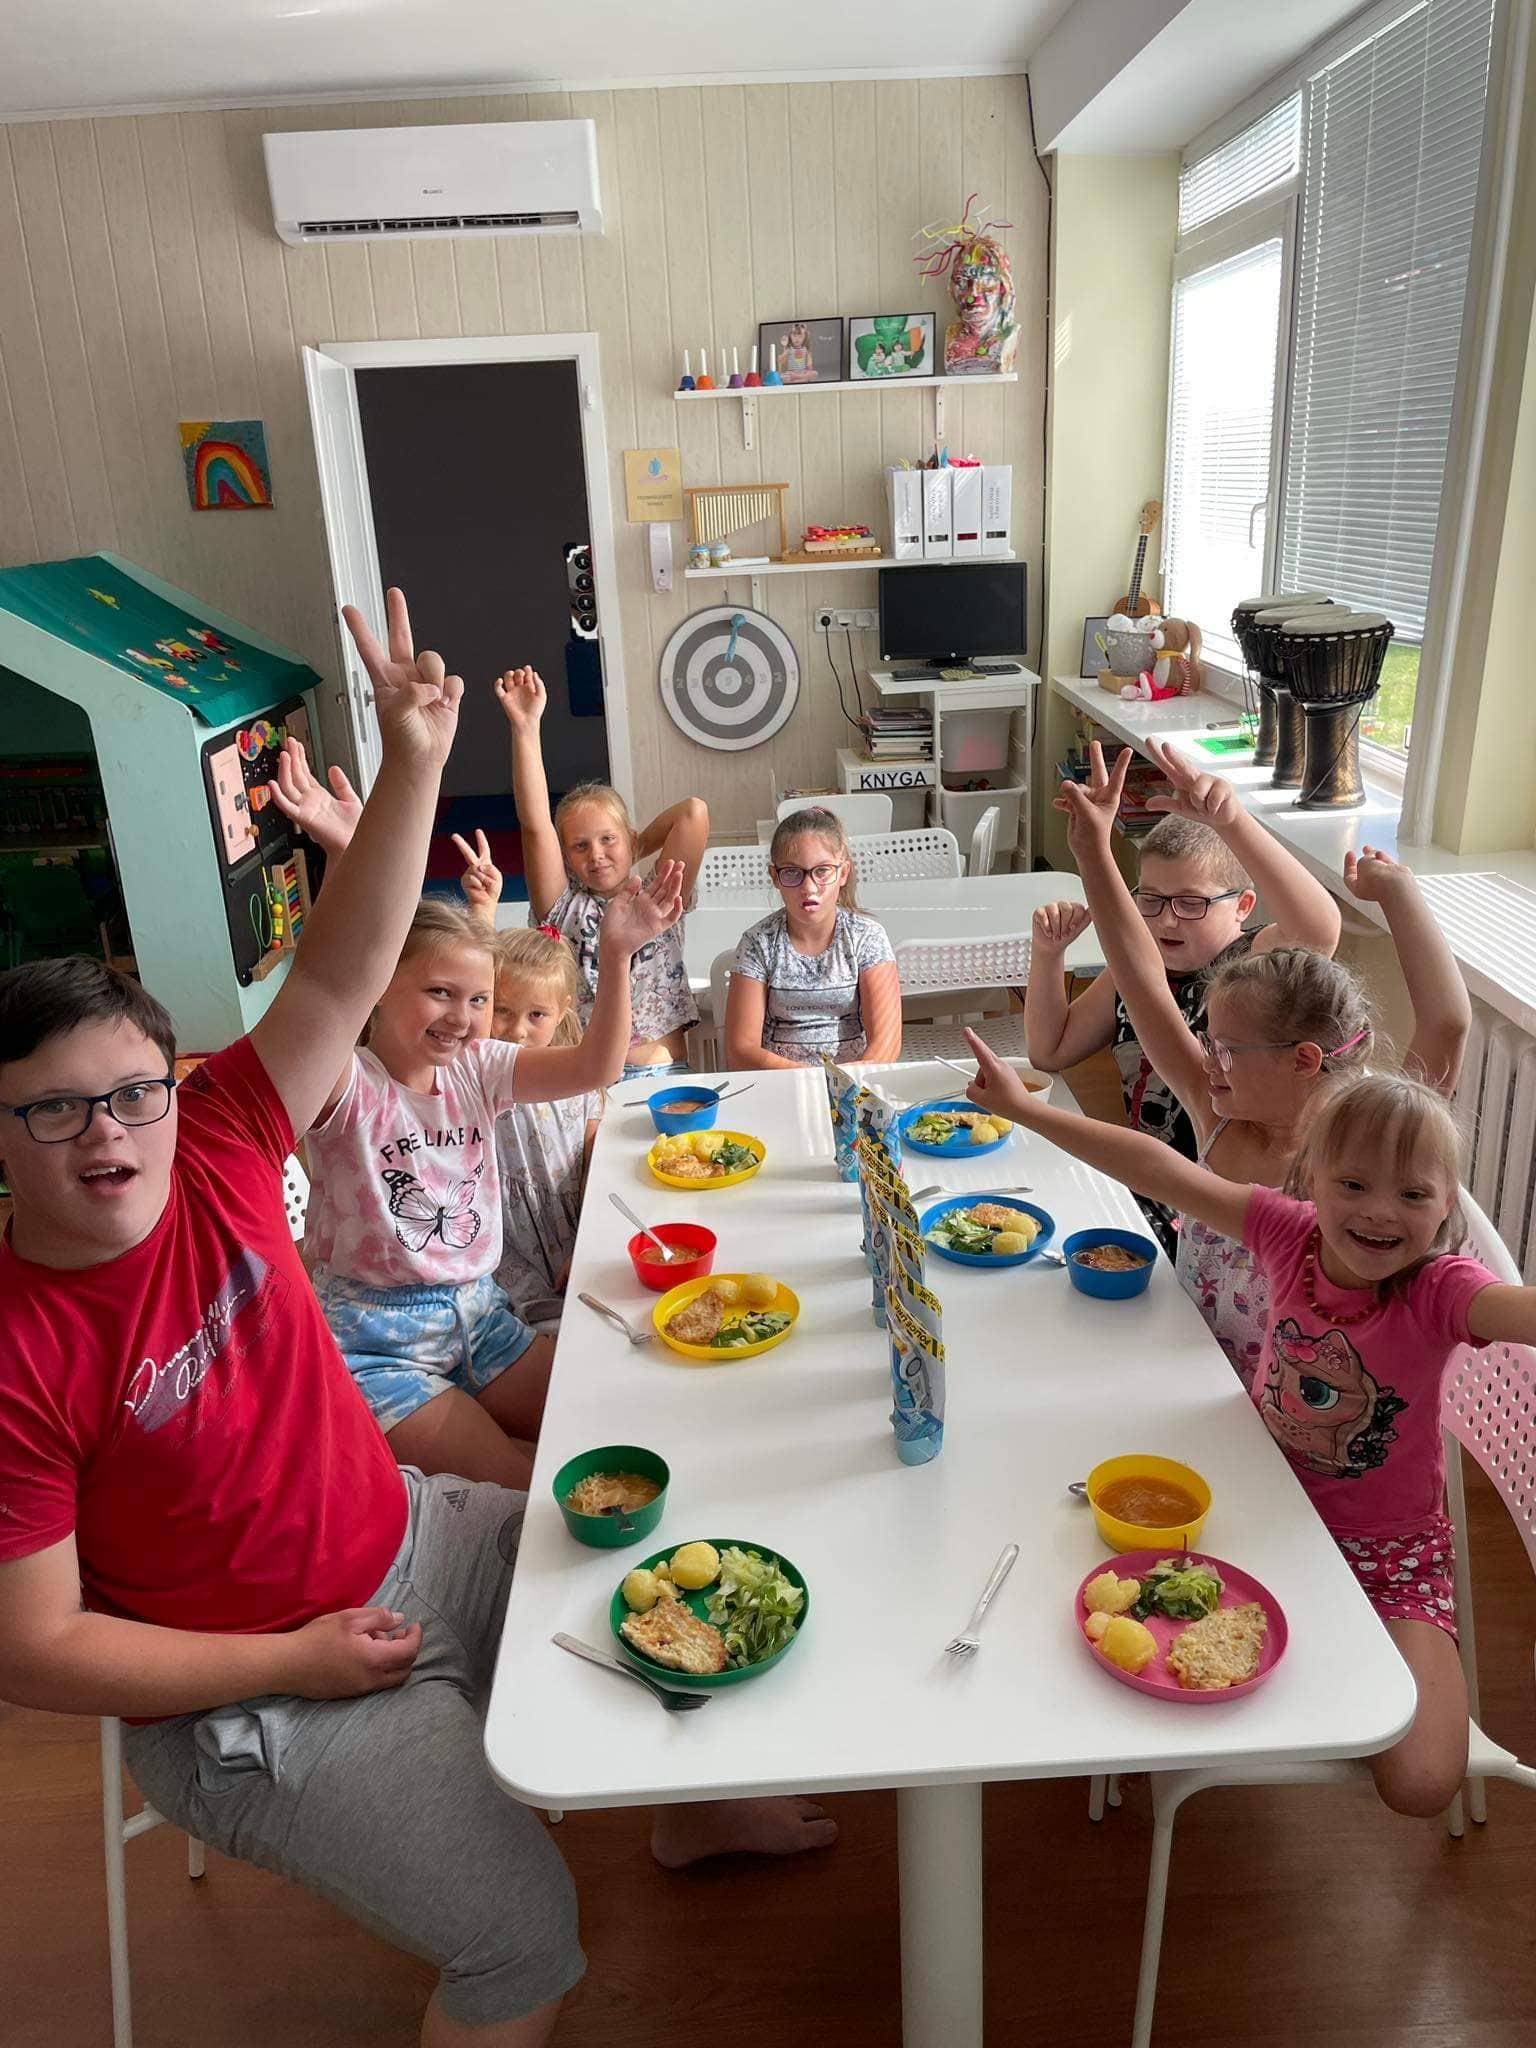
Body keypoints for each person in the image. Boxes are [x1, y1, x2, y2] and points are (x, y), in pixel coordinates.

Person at [0, 592, 584, 2044]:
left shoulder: (212, 1136)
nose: (108, 1134)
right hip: (258, 1696)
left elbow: (340, 966)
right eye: (54, 1110)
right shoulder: (16, 1350)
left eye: (132, 1093)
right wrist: (291, 1660)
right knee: (525, 1941)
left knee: (618, 1551)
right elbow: (35, 1650)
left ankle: (694, 1817)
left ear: (175, 1089)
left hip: (412, 1537)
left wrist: (412, 760)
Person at [963, 1031, 1536, 1819]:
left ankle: (1323, 1658)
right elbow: (1157, 1167)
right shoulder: (1286, 1231)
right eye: (1354, 1184)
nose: (1379, 1211)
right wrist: (1025, 1111)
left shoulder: (1440, 1290)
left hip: (1389, 1556)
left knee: (1422, 1782)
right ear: (1311, 1179)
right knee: (1092, 1656)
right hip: (1255, 1512)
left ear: (1445, 1207)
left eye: (1413, 1195)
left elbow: (1522, 1312)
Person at [1053, 749, 1471, 1384]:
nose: (1206, 1060)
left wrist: (1398, 894)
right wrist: (1092, 851)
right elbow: (1140, 978)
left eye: (1227, 1049)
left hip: (1299, 1415)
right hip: (1192, 1375)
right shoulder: (1217, 1113)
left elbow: (1446, 1024)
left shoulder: (1366, 1147)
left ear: (1303, 1060)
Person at [1026, 739, 1342, 1252]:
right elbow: (1050, 1050)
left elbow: (1318, 931)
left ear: (1243, 906)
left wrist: (1232, 821)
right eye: (1150, 900)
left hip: (1215, 1201)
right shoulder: (1138, 966)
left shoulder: (1253, 968)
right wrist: (1048, 955)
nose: (1168, 920)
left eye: (1191, 903)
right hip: (1144, 1186)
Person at [498, 665, 708, 1083]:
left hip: (658, 1070)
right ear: (565, 858)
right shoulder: (563, 907)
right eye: (580, 846)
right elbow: (535, 824)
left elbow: (693, 813)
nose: (596, 854)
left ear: (629, 839)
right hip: (583, 1075)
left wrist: (632, 850)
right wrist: (525, 728)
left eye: (607, 840)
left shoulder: (658, 897)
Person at [725, 807, 902, 1069]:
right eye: (792, 872)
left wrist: (841, 1084)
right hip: (781, 1083)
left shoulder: (867, 937)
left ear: (843, 873)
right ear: (775, 876)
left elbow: (886, 1044)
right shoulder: (758, 943)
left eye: (822, 871)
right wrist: (814, 1080)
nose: (808, 888)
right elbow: (741, 1049)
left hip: (855, 1084)